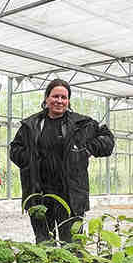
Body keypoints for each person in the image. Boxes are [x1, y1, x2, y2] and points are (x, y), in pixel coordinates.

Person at [10, 79, 114, 244]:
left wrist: (87, 149)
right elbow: (14, 149)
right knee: (44, 242)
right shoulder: (32, 124)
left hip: (70, 195)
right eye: (55, 96)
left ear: (68, 101)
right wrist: (30, 160)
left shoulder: (81, 124)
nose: (59, 101)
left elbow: (107, 140)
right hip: (40, 195)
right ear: (46, 99)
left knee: (72, 244)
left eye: (64, 97)